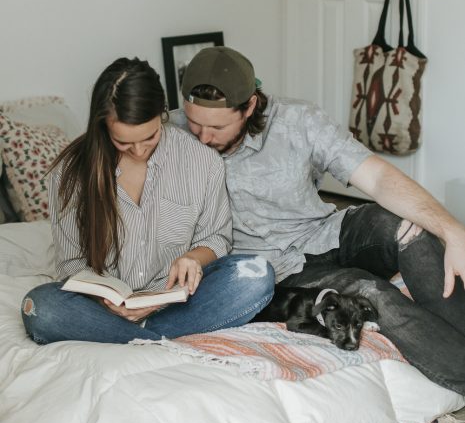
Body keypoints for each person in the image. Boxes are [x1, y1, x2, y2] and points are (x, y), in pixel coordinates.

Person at [171, 45, 465, 396]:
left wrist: (453, 230)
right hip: (277, 269)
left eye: (217, 126)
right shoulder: (169, 134)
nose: (203, 137)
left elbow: (378, 179)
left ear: (249, 105)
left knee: (411, 230)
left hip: (325, 233)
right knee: (371, 293)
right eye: (195, 122)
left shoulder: (299, 120)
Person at [21, 57, 274, 345]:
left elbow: (216, 237)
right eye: (124, 142)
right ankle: (154, 338)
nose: (139, 150)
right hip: (104, 310)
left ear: (163, 114)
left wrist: (193, 257)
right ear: (103, 126)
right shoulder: (70, 173)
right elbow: (71, 263)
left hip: (176, 303)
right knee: (39, 307)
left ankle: (136, 337)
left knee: (257, 275)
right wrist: (104, 299)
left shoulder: (201, 160)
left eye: (150, 137)